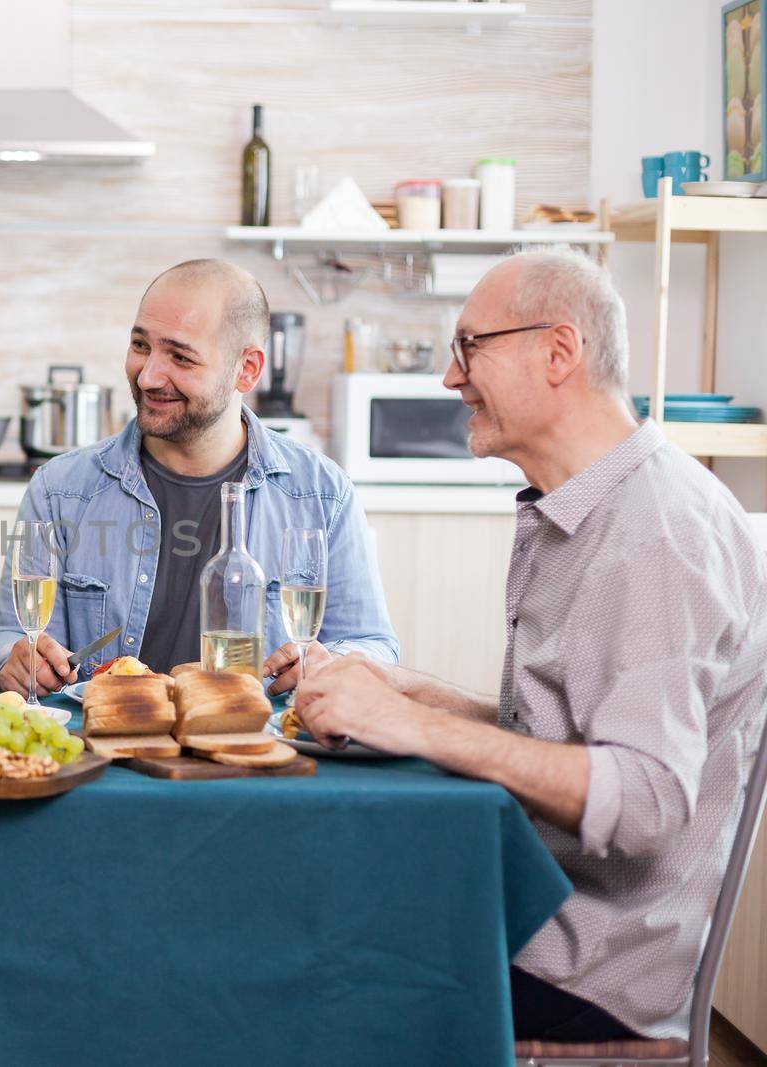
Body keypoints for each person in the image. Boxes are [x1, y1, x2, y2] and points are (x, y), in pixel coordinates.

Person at [293, 250, 767, 1043]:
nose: (451, 377)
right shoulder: (591, 508)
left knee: (308, 967)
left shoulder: (658, 535)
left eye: (469, 346)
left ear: (558, 351)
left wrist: (411, 727)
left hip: (592, 964)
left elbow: (645, 796)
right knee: (315, 911)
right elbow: (583, 736)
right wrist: (424, 696)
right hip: (542, 907)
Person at [0, 259, 397, 696]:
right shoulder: (59, 490)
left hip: (255, 748)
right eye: (141, 346)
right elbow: (7, 637)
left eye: (180, 357)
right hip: (101, 747)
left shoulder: (322, 494)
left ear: (248, 370)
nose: (147, 376)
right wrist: (11, 663)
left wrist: (331, 664)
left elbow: (373, 645)